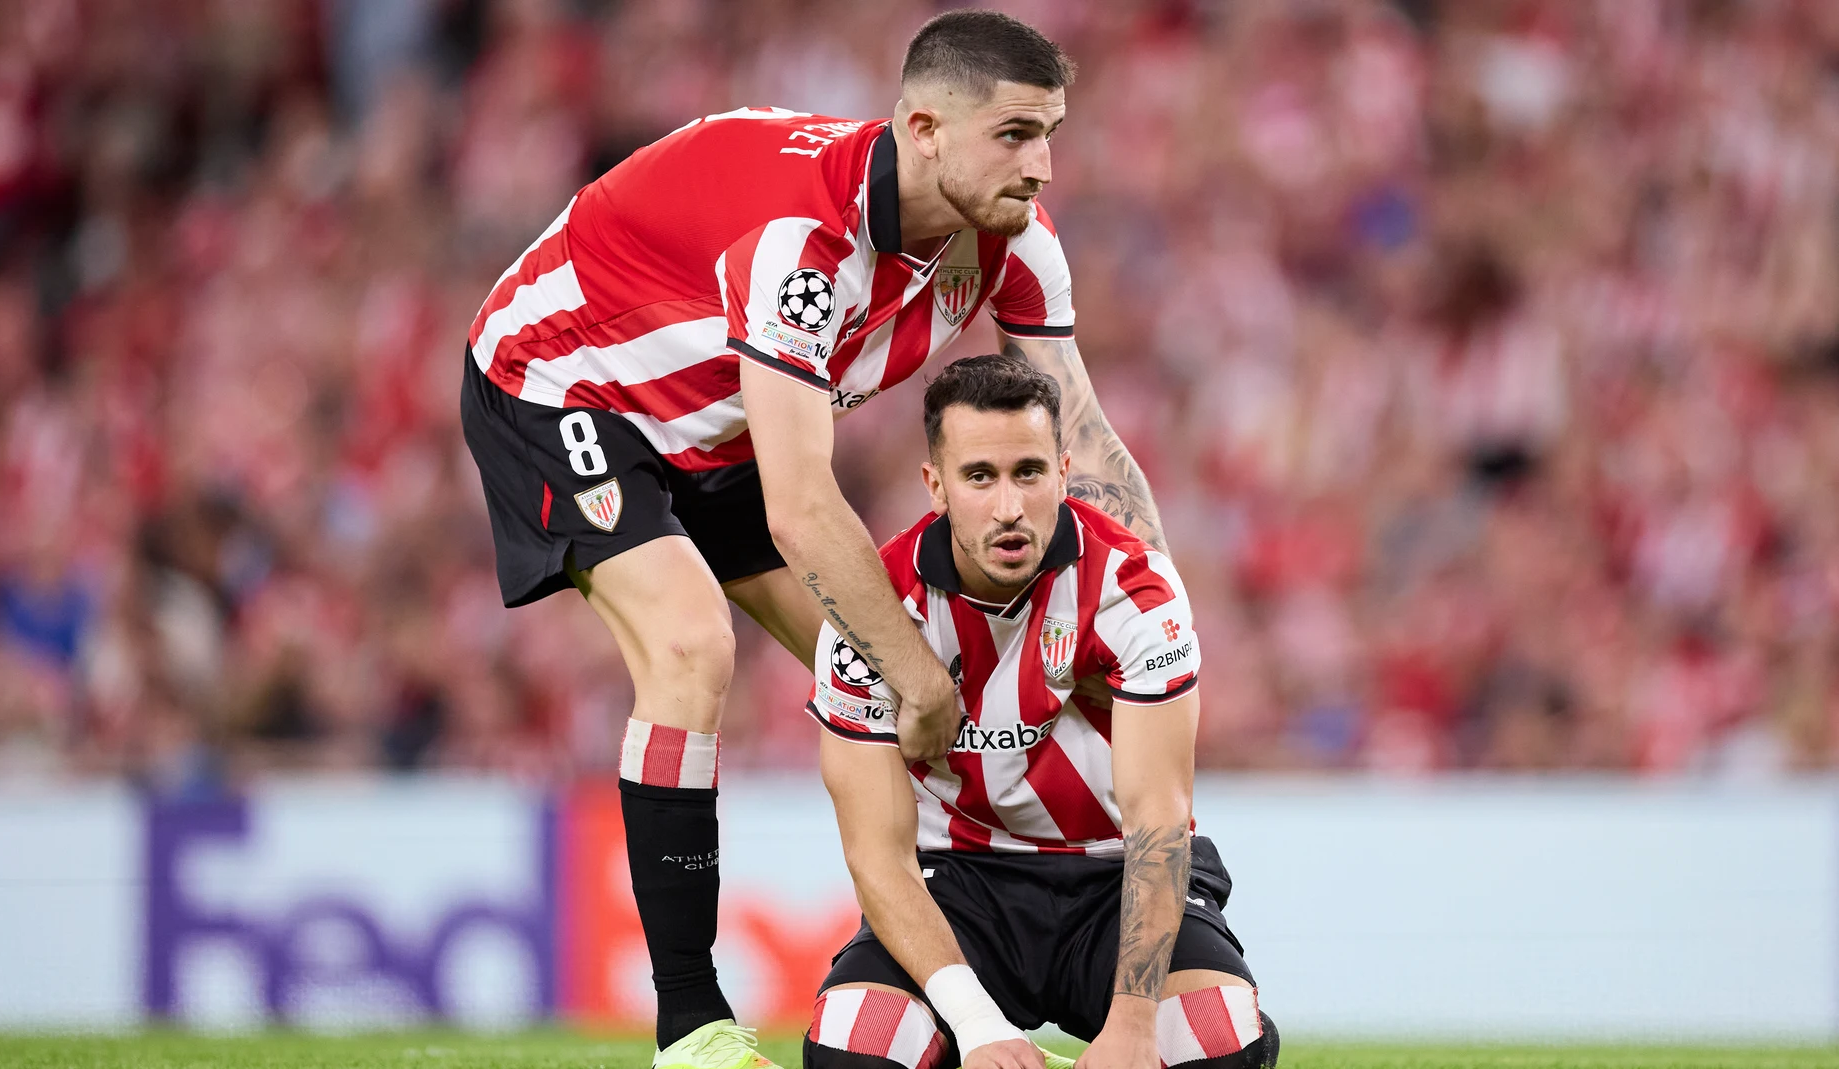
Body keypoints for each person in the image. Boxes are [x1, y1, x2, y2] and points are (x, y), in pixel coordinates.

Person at [459, 11, 1167, 1068]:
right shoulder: (802, 241)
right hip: (563, 380)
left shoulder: (1013, 239)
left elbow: (1084, 439)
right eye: (1015, 135)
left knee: (908, 682)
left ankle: (972, 1000)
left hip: (721, 420)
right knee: (700, 644)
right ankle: (690, 1025)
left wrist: (1153, 618)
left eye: (1050, 133)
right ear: (924, 129)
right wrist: (920, 682)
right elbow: (799, 502)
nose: (1044, 167)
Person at [802, 355, 1277, 1069]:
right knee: (852, 1048)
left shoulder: (1133, 590)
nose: (1008, 507)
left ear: (1061, 472)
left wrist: (1134, 1028)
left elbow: (1159, 819)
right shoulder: (871, 617)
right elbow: (878, 856)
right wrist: (976, 1025)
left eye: (1027, 472)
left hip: (1116, 876)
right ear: (936, 487)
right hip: (960, 883)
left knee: (1219, 1042)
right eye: (979, 477)